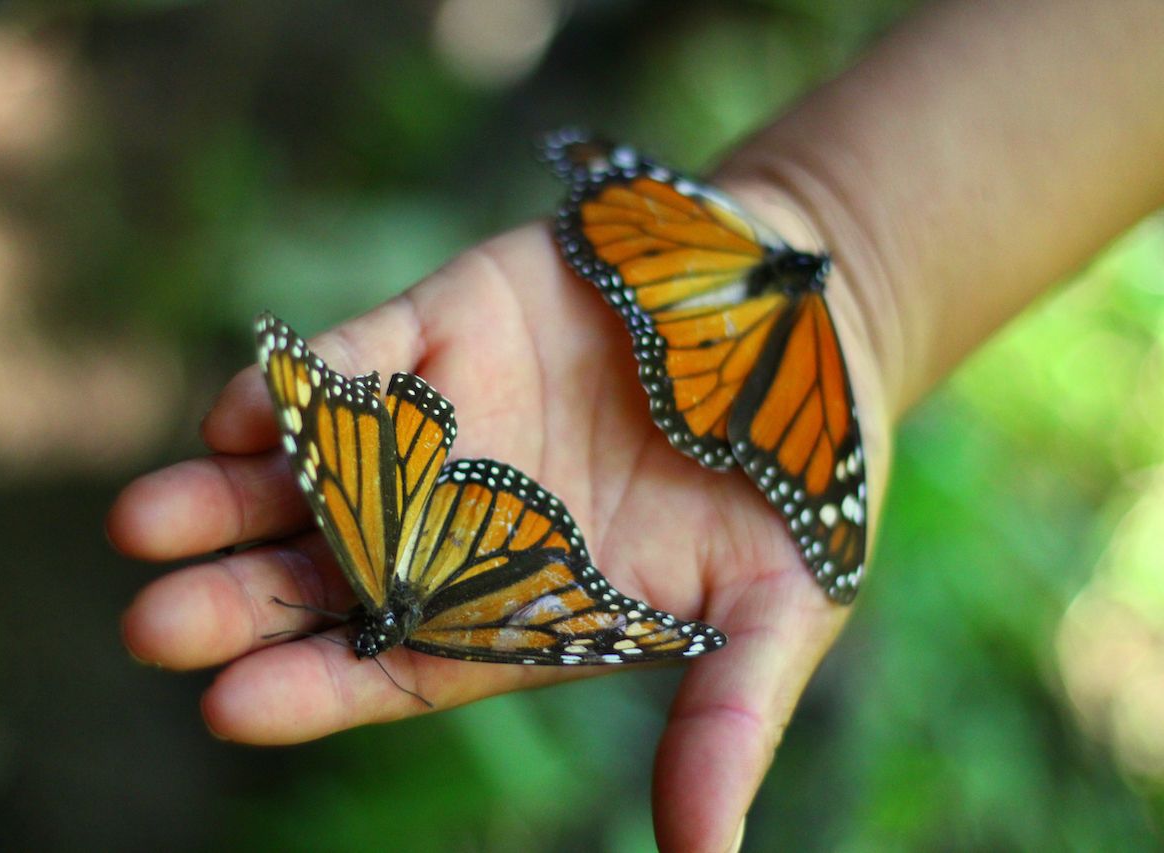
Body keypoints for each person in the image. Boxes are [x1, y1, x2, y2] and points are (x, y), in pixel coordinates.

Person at [106, 1, 1164, 850]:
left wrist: (864, 282)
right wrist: (845, 233)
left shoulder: (805, 367)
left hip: (570, 436)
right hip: (539, 494)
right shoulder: (453, 614)